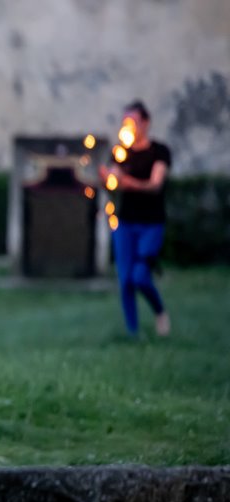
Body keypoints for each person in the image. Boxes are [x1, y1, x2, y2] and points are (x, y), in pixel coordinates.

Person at [99, 100, 172, 338]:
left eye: (133, 121)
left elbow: (155, 185)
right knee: (125, 280)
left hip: (151, 223)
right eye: (125, 122)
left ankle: (160, 311)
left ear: (145, 122)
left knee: (140, 276)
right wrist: (107, 179)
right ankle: (133, 334)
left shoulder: (159, 151)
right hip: (124, 223)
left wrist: (127, 182)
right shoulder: (120, 154)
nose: (128, 126)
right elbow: (111, 186)